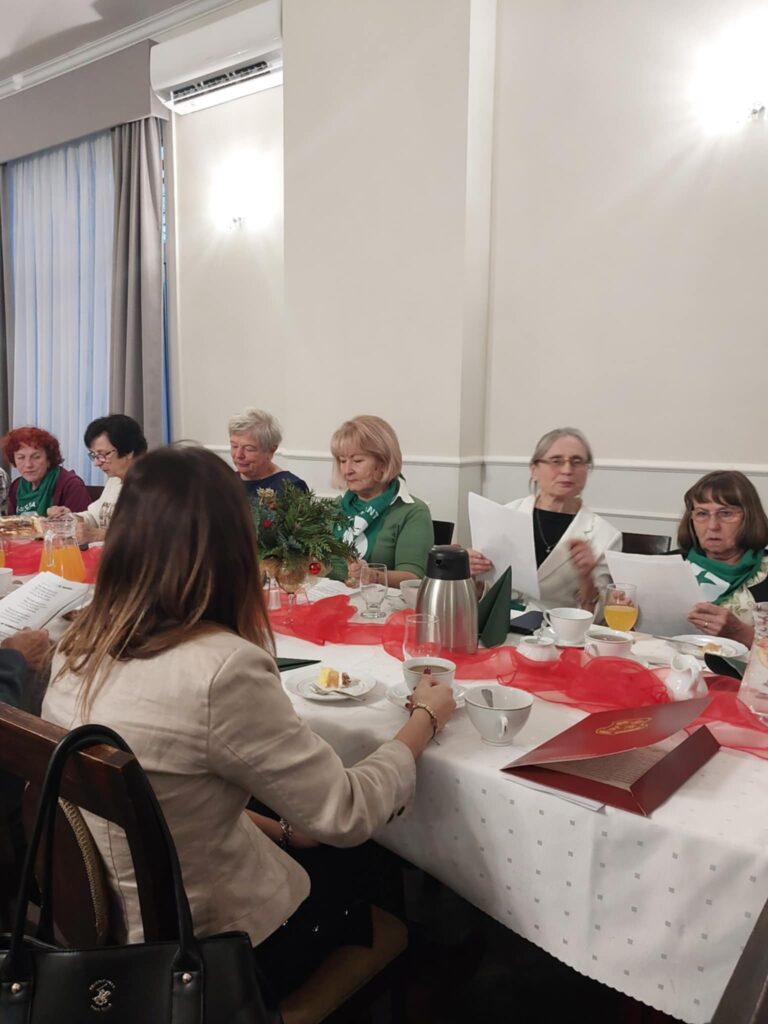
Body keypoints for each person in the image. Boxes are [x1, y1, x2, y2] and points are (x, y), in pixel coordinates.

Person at [43, 445, 455, 998]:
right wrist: (427, 717)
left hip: (118, 918)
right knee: (362, 861)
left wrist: (282, 828)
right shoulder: (221, 669)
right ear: (234, 547)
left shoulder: (77, 642)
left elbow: (164, 791)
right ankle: (418, 971)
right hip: (218, 949)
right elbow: (346, 812)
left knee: (311, 830)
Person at [469, 428, 621, 611]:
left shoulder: (605, 536)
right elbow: (483, 590)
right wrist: (470, 572)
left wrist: (586, 578)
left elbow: (598, 617)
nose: (567, 470)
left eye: (577, 461)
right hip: (497, 622)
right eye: (556, 461)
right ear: (534, 470)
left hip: (554, 627)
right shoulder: (504, 515)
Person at [330, 415, 434, 587]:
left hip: (380, 601)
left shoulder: (412, 511)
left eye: (357, 461)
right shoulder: (336, 506)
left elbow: (413, 578)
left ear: (384, 463)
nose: (347, 470)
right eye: (342, 461)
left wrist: (374, 576)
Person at [676, 471, 768, 647]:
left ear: (749, 518)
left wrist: (741, 633)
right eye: (702, 514)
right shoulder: (669, 564)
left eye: (726, 514)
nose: (712, 526)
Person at [48, 414, 148, 542]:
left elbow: (151, 537)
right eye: (94, 455)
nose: (97, 463)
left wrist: (98, 535)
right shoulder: (115, 480)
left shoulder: (154, 486)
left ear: (129, 451)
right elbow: (94, 517)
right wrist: (68, 518)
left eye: (103, 454)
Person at [2, 427, 90, 517]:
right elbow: (11, 523)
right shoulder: (17, 486)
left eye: (36, 457)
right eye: (21, 457)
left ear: (49, 459)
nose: (28, 464)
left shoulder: (71, 485)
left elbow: (81, 524)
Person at [229, 408, 308, 497]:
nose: (238, 455)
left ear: (271, 450)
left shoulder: (291, 487)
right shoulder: (226, 481)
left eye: (249, 449)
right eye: (234, 446)